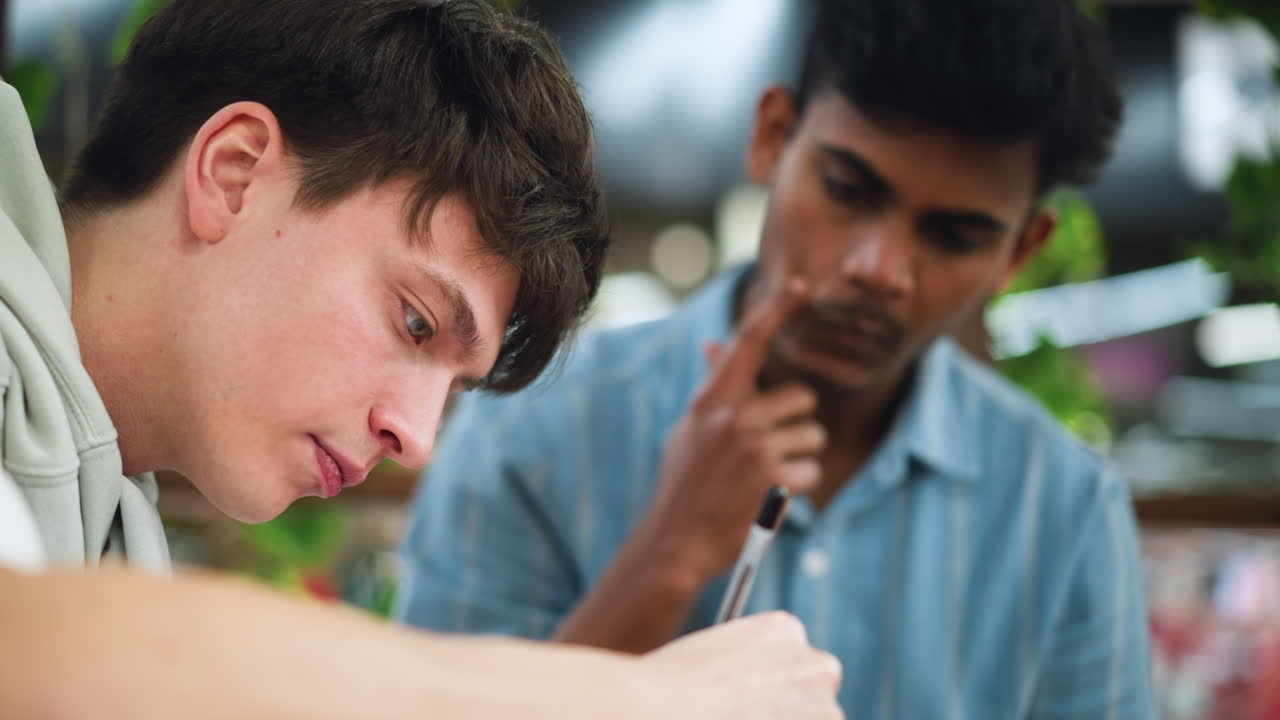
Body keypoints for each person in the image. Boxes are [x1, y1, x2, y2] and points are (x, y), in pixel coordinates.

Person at [0, 0, 843, 717]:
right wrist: (640, 700)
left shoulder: (101, 521)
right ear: (235, 173)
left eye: (455, 385)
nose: (416, 438)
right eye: (413, 322)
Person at [396, 0, 1156, 716]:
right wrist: (668, 557)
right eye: (849, 189)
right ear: (772, 135)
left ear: (1019, 252)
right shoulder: (532, 433)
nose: (880, 268)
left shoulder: (1063, 509)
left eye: (955, 236)